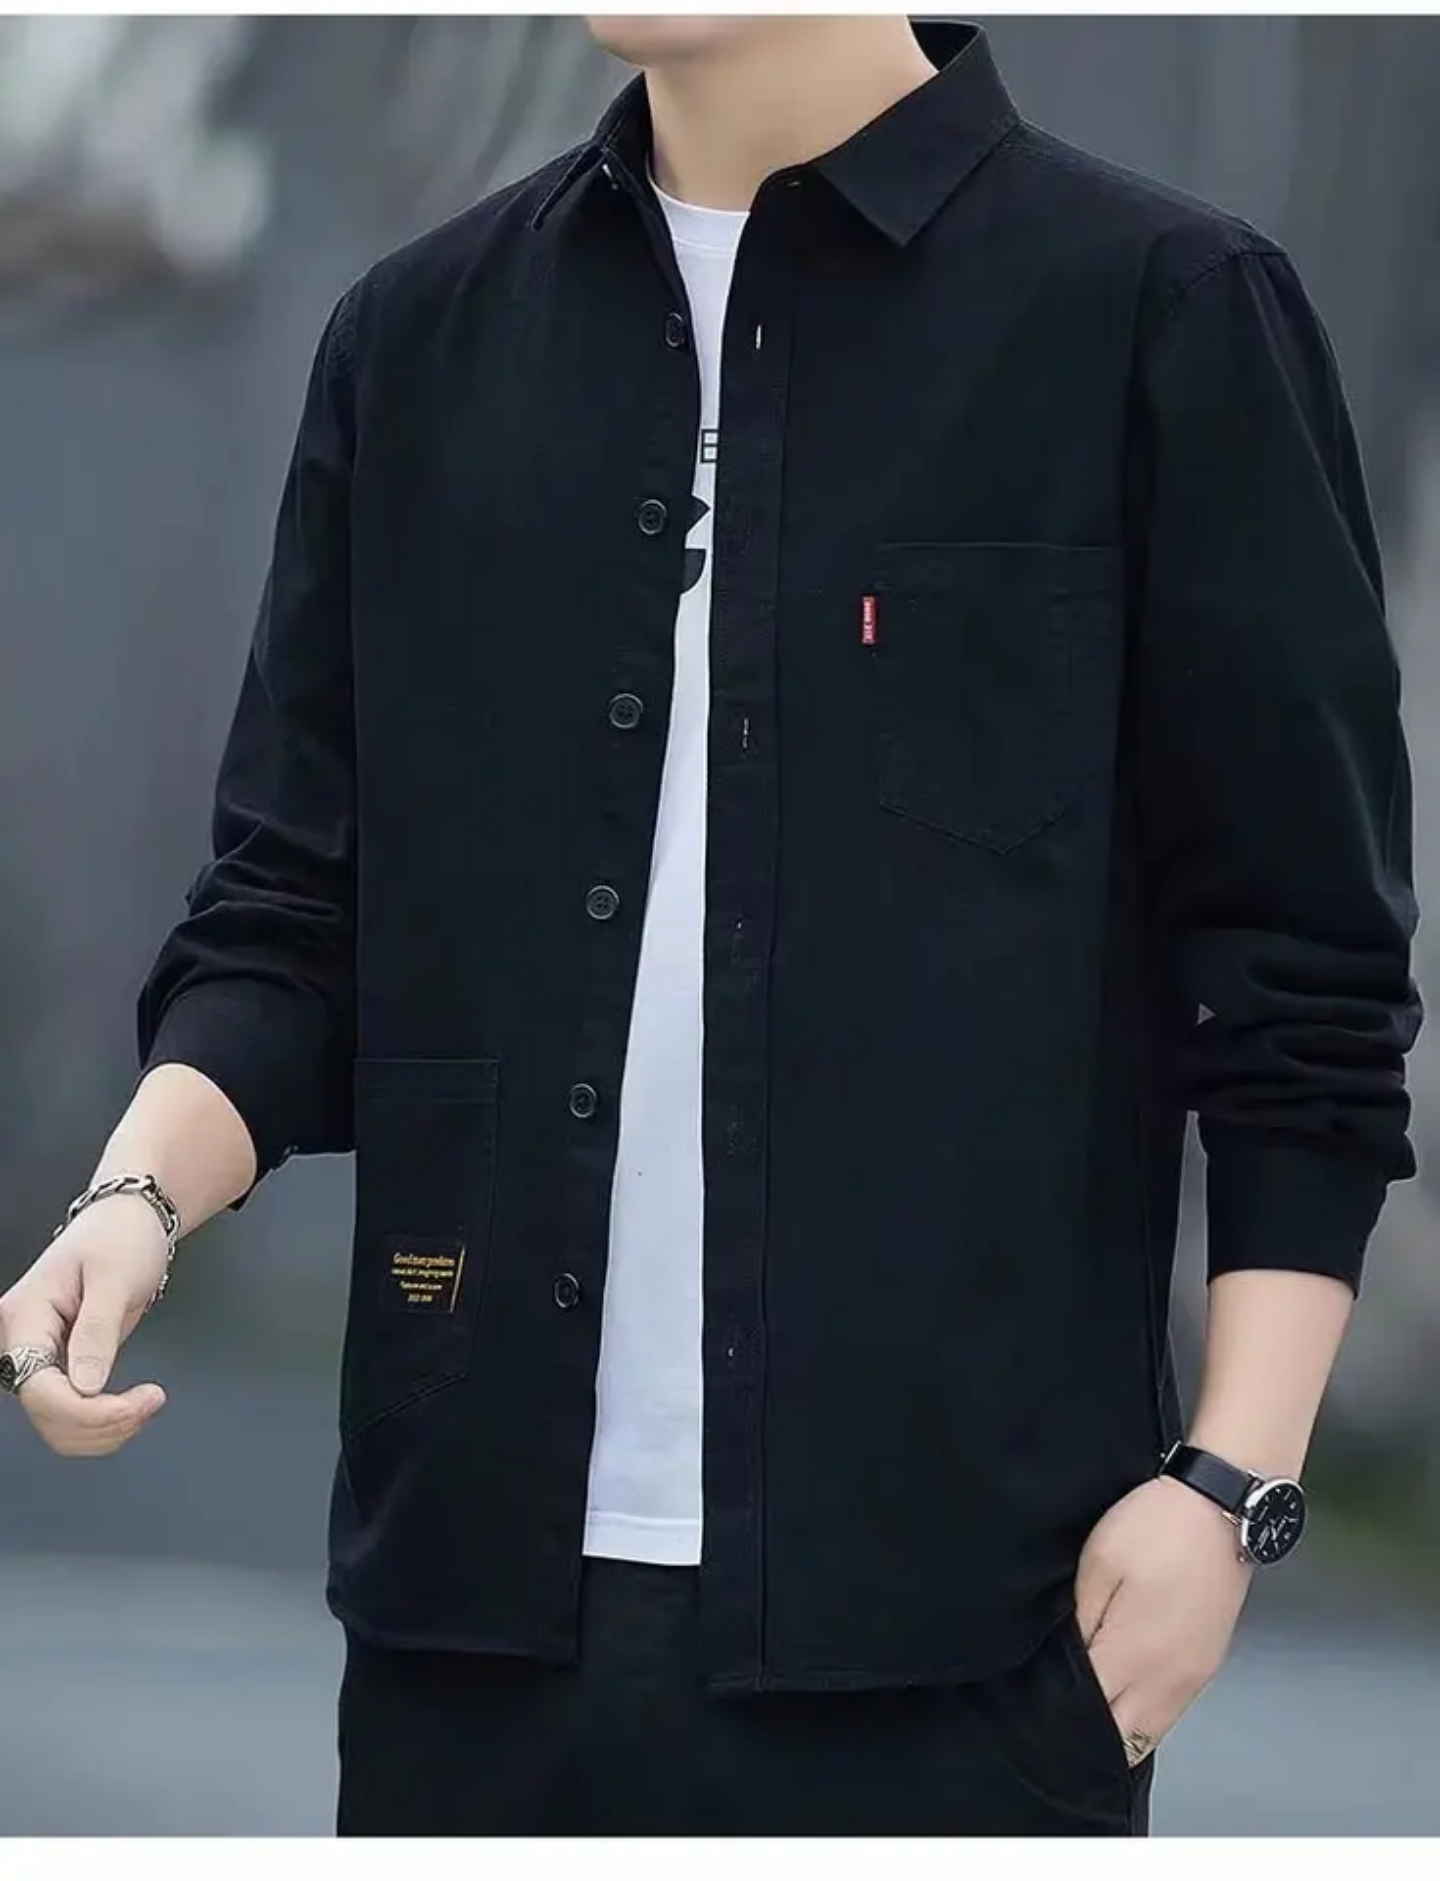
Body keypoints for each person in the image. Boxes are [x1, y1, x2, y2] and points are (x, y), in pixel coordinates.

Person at [0, 14, 1421, 1838]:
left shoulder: (1159, 311)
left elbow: (1303, 972)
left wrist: (1230, 1488)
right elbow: (292, 915)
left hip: (967, 1646)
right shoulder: (420, 339)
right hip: (472, 1635)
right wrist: (130, 1202)